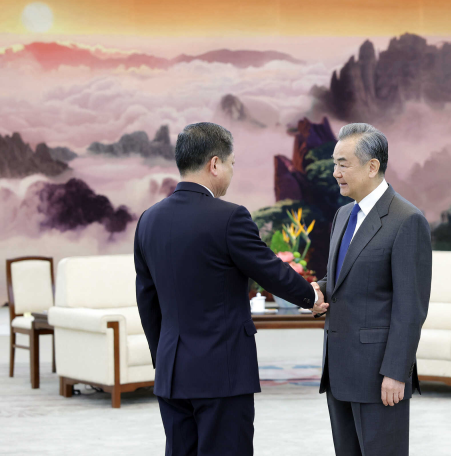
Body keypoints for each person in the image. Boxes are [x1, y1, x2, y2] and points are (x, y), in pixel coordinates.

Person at [134, 122, 328, 456]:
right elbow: (269, 270)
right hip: (221, 375)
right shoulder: (229, 218)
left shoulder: (148, 220)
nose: (232, 172)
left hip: (171, 373)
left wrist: (164, 357)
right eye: (232, 164)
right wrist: (311, 296)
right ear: (214, 164)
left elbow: (146, 300)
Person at [313, 123, 432, 456]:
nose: (335, 172)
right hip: (338, 371)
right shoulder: (342, 215)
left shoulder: (407, 220)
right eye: (334, 164)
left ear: (372, 166)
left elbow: (411, 308)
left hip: (379, 377)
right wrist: (318, 290)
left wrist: (396, 373)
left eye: (343, 164)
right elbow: (342, 278)